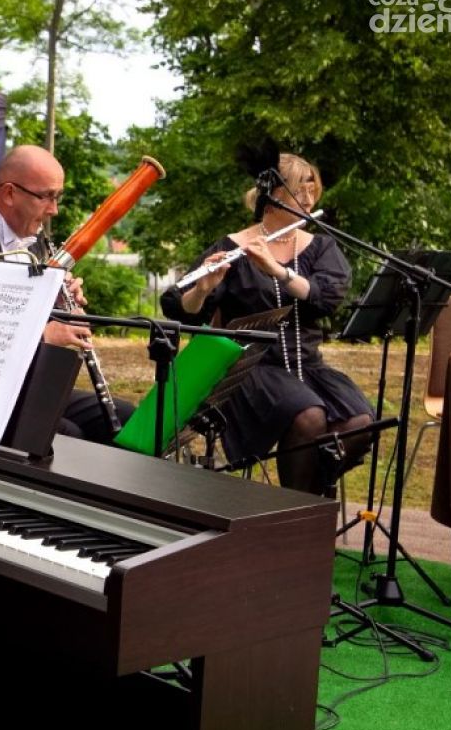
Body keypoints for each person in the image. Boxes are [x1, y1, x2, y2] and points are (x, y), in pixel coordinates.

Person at [160, 153, 374, 493]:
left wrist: (277, 271)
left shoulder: (320, 247)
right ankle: (297, 509)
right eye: (299, 191)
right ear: (273, 196)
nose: (309, 200)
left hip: (307, 366)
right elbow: (180, 307)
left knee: (360, 423)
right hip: (251, 368)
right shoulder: (234, 246)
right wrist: (202, 289)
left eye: (312, 191)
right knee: (309, 416)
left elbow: (325, 298)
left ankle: (304, 498)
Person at [0, 145, 135, 443]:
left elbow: (30, 310)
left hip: (30, 386)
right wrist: (45, 336)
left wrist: (58, 302)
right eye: (46, 197)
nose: (54, 209)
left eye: (57, 197)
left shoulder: (36, 240)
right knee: (71, 436)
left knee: (126, 416)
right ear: (9, 194)